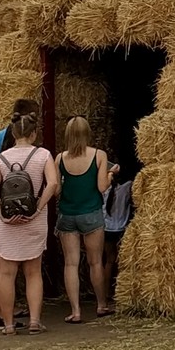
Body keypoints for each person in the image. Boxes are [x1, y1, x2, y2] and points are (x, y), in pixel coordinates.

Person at [0, 111, 58, 333]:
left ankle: (8, 325)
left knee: (6, 274)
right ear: (34, 134)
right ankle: (34, 321)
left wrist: (2, 214)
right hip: (32, 220)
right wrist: (37, 209)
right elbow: (53, 184)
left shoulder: (1, 159)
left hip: (7, 223)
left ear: (13, 133)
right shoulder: (43, 155)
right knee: (33, 272)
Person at [0, 98, 38, 323]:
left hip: (1, 207)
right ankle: (1, 314)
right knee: (18, 267)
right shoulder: (30, 147)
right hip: (23, 207)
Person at [55, 115, 116, 322]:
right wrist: (110, 174)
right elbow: (101, 187)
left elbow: (57, 190)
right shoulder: (99, 155)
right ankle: (101, 305)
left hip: (67, 214)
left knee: (71, 264)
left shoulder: (60, 158)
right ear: (87, 133)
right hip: (91, 214)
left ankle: (75, 311)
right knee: (95, 262)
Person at [103, 165, 134, 304]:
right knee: (122, 261)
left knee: (109, 261)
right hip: (121, 229)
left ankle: (104, 292)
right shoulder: (128, 187)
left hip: (107, 228)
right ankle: (121, 290)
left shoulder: (105, 188)